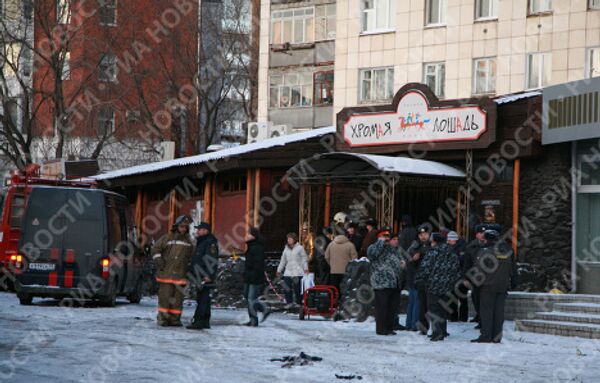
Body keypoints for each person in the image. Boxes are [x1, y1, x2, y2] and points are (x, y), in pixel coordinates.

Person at [471, 229, 517, 343]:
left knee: (486, 312)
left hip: (487, 286)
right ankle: (497, 336)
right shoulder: (507, 251)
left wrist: (475, 285)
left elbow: (479, 270)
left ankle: (486, 335)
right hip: (502, 286)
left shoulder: (484, 251)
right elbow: (513, 270)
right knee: (498, 313)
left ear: (486, 239)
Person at [152, 215, 194, 327]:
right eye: (181, 226)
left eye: (185, 227)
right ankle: (163, 319)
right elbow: (156, 249)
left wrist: (189, 268)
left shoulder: (190, 241)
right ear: (176, 226)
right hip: (166, 274)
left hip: (181, 276)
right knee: (165, 298)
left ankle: (175, 320)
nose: (183, 229)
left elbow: (192, 257)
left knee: (177, 300)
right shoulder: (167, 238)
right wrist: (159, 262)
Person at [419, 233, 462, 342]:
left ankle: (436, 332)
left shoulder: (432, 253)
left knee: (433, 309)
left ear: (435, 242)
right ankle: (442, 331)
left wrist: (422, 280)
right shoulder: (452, 253)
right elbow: (457, 270)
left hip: (433, 286)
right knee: (443, 309)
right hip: (447, 286)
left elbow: (425, 269)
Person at [367, 228, 403, 336]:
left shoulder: (392, 249)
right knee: (382, 307)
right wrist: (380, 242)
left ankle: (389, 327)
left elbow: (398, 259)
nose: (386, 238)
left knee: (392, 307)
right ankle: (381, 329)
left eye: (388, 236)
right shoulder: (373, 247)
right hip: (381, 282)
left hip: (394, 282)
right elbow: (373, 254)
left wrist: (402, 264)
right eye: (384, 235)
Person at [187, 222, 219, 330]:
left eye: (199, 229)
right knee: (203, 297)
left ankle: (199, 321)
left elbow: (211, 259)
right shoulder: (203, 241)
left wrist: (208, 275)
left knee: (202, 298)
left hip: (204, 275)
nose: (197, 231)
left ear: (206, 231)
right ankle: (205, 320)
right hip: (199, 274)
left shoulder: (209, 243)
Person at [243, 227, 270, 327]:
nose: (246, 236)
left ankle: (254, 320)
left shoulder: (257, 247)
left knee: (251, 299)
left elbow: (258, 264)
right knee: (247, 296)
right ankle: (264, 309)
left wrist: (254, 274)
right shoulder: (250, 246)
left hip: (254, 276)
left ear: (253, 236)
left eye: (248, 234)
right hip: (248, 275)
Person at [463, 224, 488, 327]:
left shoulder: (490, 245)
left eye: (484, 233)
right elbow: (467, 263)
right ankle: (480, 317)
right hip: (475, 278)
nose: (482, 235)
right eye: (480, 233)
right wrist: (465, 278)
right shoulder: (471, 246)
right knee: (476, 299)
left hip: (488, 277)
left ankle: (484, 320)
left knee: (485, 300)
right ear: (476, 234)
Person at [410, 224, 431, 335]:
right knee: (422, 305)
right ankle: (423, 328)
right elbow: (408, 263)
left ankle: (439, 329)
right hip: (420, 279)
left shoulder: (433, 245)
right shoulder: (414, 247)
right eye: (421, 234)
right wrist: (413, 260)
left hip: (432, 279)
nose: (423, 236)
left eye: (425, 234)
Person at [277, 232, 308, 307]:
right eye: (288, 239)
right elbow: (283, 260)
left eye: (290, 239)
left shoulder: (300, 248)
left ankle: (298, 302)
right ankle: (289, 302)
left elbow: (304, 259)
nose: (289, 240)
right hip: (288, 271)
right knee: (287, 287)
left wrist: (306, 268)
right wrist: (279, 270)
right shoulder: (286, 249)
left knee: (297, 289)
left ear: (294, 239)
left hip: (297, 271)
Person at [325, 228, 358, 295]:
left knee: (335, 289)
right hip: (346, 271)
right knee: (346, 288)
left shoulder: (331, 244)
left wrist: (331, 264)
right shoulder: (350, 245)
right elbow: (355, 259)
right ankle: (344, 302)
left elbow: (326, 257)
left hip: (334, 270)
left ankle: (336, 301)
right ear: (346, 235)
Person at [447, 231, 469, 322]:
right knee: (452, 298)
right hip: (451, 277)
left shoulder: (462, 248)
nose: (448, 241)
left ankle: (463, 318)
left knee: (462, 298)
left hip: (461, 277)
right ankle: (453, 317)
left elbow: (465, 264)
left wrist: (465, 278)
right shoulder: (449, 247)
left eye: (449, 239)